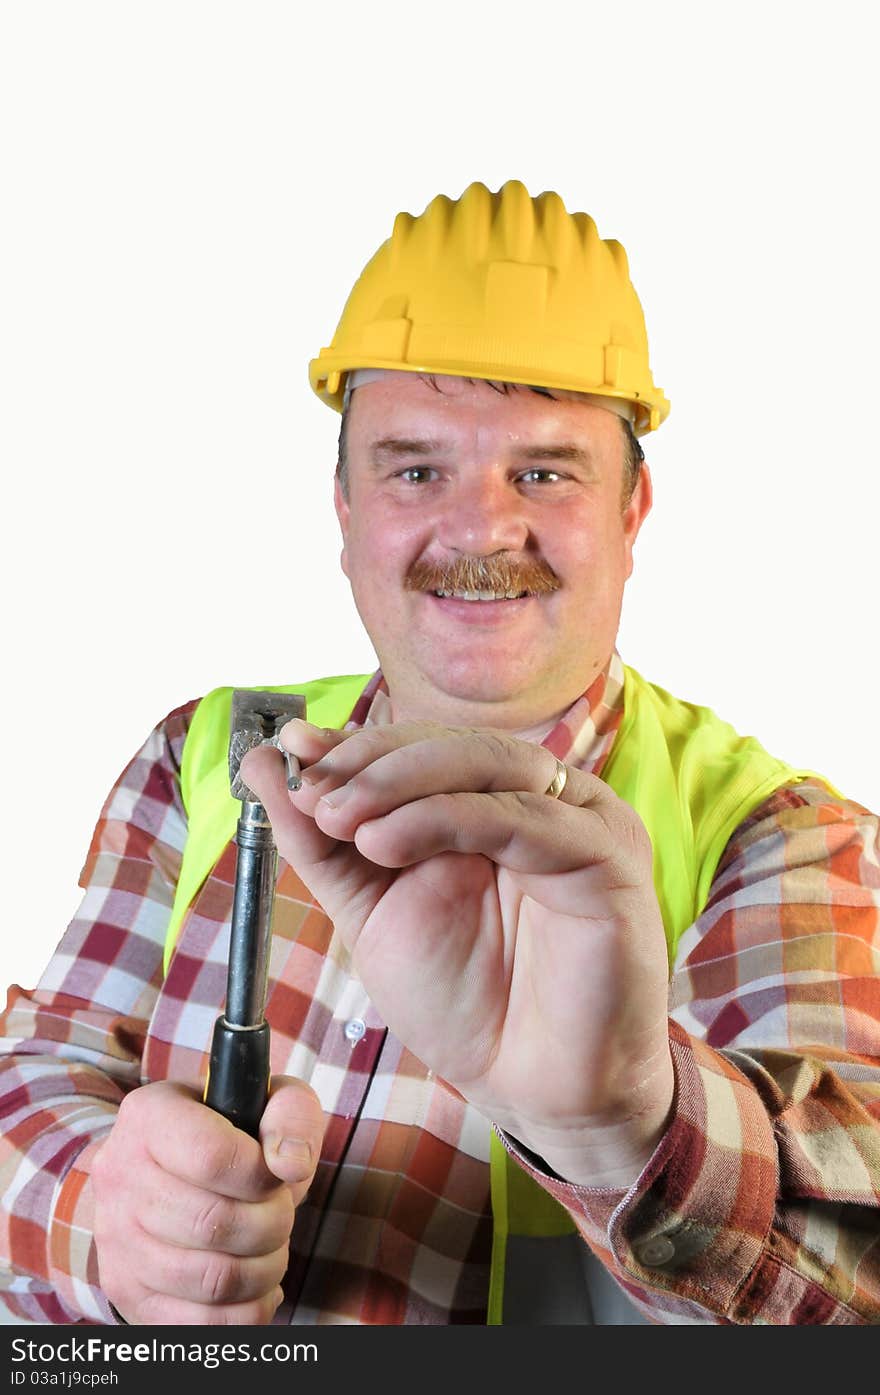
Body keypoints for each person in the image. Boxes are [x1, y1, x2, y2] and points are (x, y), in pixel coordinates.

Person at [1, 180, 878, 1328]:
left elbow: (851, 1289)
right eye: (415, 469)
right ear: (345, 509)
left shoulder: (784, 837)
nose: (478, 530)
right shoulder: (210, 750)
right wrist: (107, 1224)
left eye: (544, 472)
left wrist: (618, 1125)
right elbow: (38, 1079)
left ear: (631, 511)